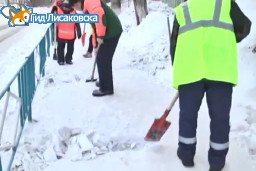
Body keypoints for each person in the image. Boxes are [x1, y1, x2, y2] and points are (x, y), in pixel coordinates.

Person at [170, 0, 251, 171]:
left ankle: (186, 155)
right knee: (220, 118)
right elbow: (245, 27)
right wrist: (227, 38)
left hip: (190, 72)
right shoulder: (226, 4)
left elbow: (174, 45)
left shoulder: (182, 10)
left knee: (187, 116)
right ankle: (217, 161)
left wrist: (180, 70)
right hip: (220, 70)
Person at [70, 0, 123, 96]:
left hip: (112, 32)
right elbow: (94, 28)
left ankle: (106, 88)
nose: (75, 9)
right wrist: (95, 45)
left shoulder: (91, 4)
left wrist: (100, 36)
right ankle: (104, 81)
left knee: (103, 60)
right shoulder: (86, 6)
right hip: (108, 32)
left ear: (77, 3)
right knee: (101, 58)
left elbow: (100, 19)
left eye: (74, 6)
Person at [52, 0, 82, 65]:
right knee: (68, 49)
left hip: (62, 35)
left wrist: (53, 10)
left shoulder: (59, 11)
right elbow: (77, 23)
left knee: (62, 48)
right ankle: (67, 59)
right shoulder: (73, 12)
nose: (66, 8)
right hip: (69, 35)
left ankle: (62, 60)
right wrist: (79, 32)